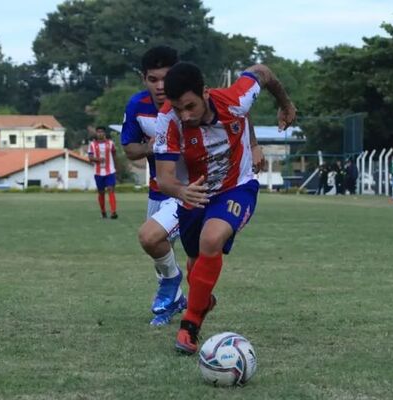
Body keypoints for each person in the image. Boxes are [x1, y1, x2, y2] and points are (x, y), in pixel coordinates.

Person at [154, 61, 296, 354]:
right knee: (196, 269)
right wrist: (183, 191)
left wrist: (285, 104)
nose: (185, 115)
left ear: (205, 93)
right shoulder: (167, 120)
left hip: (237, 187)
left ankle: (189, 327)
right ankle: (203, 301)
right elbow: (164, 179)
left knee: (211, 238)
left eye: (190, 106)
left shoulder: (236, 99)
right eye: (178, 108)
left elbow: (263, 71)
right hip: (195, 194)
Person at [120, 46, 186, 326]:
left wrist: (253, 146)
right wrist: (154, 145)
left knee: (159, 241)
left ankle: (187, 306)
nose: (160, 86)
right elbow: (130, 149)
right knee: (158, 249)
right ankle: (175, 300)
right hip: (159, 191)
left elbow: (234, 111)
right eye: (153, 79)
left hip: (193, 191)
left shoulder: (193, 100)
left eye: (166, 78)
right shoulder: (137, 106)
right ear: (143, 79)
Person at [88, 126, 118, 219]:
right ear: (96, 133)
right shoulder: (92, 145)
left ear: (105, 133)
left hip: (110, 171)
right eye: (98, 132)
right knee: (101, 192)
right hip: (98, 172)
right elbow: (90, 158)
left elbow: (114, 154)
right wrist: (98, 159)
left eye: (102, 132)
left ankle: (113, 212)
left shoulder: (110, 143)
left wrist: (116, 167)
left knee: (110, 189)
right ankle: (103, 211)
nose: (100, 134)